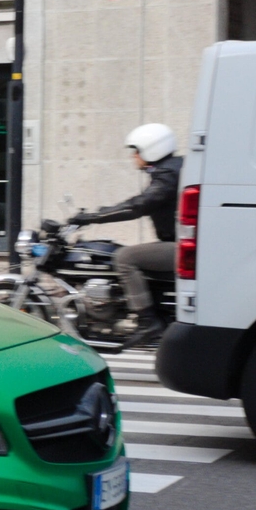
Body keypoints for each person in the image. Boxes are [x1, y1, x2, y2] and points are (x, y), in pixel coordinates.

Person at [70, 123, 183, 346]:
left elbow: (138, 206)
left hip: (183, 247)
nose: (133, 156)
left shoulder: (167, 174)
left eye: (136, 150)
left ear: (152, 149)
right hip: (184, 243)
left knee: (124, 257)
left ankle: (147, 321)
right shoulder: (172, 168)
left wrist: (94, 217)